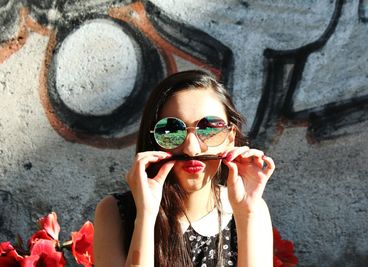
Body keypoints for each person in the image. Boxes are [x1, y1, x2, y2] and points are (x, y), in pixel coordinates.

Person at [94, 70, 275, 267]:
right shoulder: (115, 212)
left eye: (209, 129)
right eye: (171, 130)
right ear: (154, 140)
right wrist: (145, 216)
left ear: (230, 138)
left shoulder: (252, 209)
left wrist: (245, 214)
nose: (191, 149)